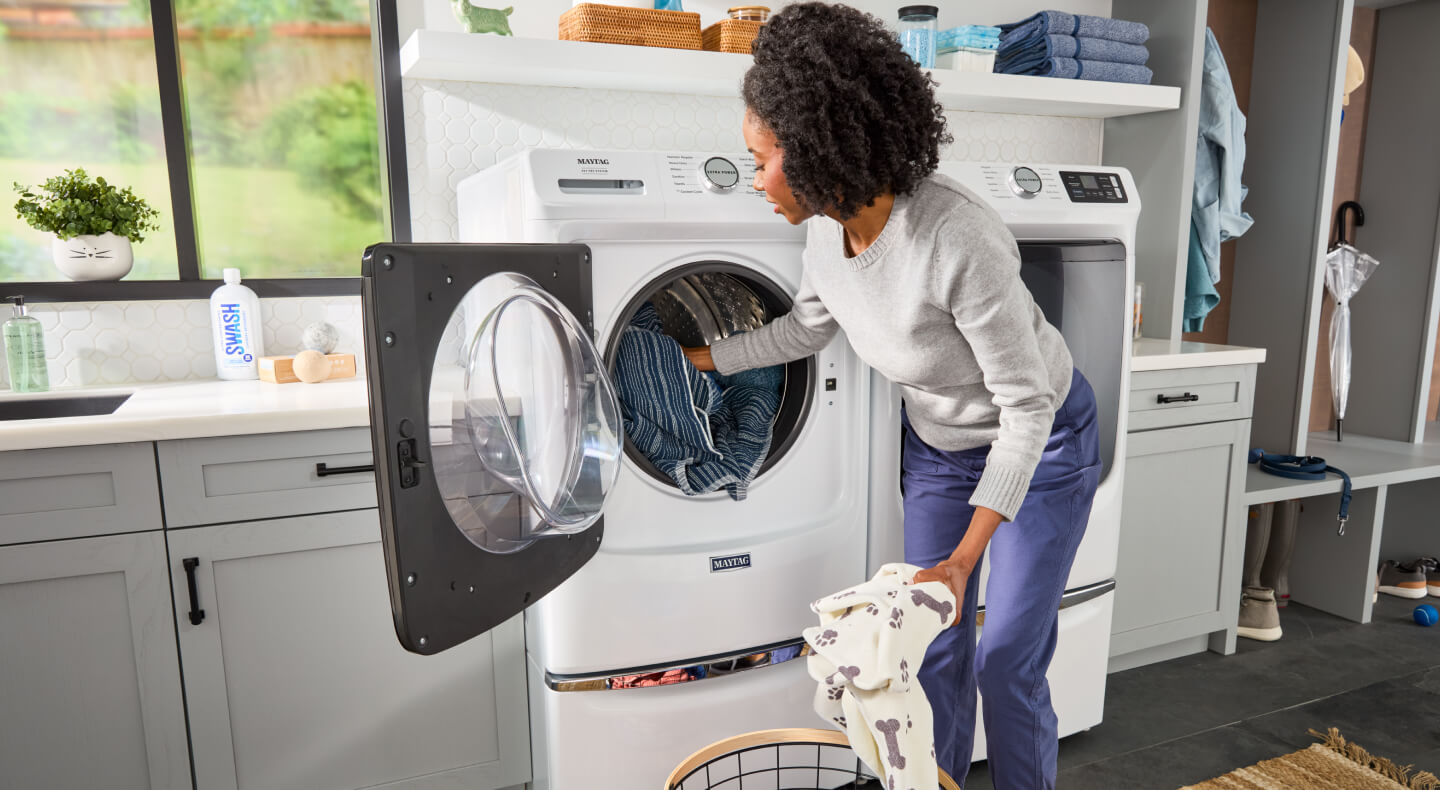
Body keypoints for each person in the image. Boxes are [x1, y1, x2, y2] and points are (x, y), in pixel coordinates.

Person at [681, 4, 1103, 788]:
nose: (754, 176)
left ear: (815, 152)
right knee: (930, 648)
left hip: (1042, 446)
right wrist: (700, 358)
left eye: (761, 158)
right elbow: (806, 330)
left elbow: (1028, 408)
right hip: (941, 452)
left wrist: (962, 562)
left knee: (1006, 658)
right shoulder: (824, 229)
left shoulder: (955, 238)